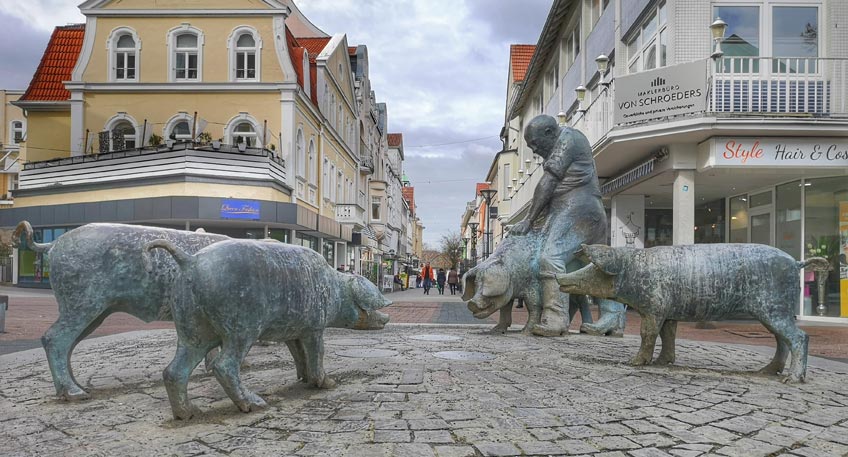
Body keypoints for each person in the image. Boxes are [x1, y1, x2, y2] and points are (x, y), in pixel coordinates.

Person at [509, 114, 614, 336]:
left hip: (578, 209)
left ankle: (555, 319)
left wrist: (528, 220)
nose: (535, 150)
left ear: (549, 133)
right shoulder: (565, 141)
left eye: (535, 144)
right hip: (581, 210)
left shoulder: (568, 138)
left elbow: (548, 182)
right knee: (594, 265)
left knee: (549, 258)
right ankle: (613, 317)